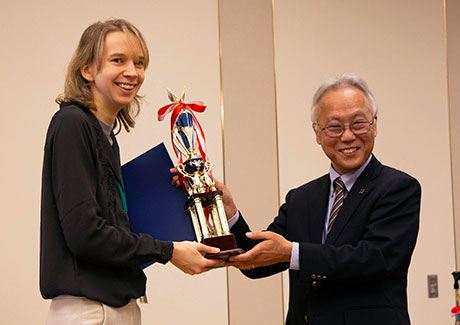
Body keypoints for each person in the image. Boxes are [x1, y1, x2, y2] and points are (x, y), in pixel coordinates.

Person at [40, 18, 222, 325]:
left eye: (139, 63)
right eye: (117, 60)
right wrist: (169, 250)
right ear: (87, 70)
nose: (132, 73)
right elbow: (85, 235)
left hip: (117, 307)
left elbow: (108, 224)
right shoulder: (73, 124)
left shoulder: (105, 136)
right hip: (89, 311)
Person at [222, 73, 421, 325]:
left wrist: (292, 253)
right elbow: (258, 261)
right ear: (317, 133)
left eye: (358, 123)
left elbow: (373, 259)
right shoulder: (301, 198)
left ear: (374, 125)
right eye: (335, 127)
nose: (348, 136)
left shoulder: (398, 187)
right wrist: (228, 213)